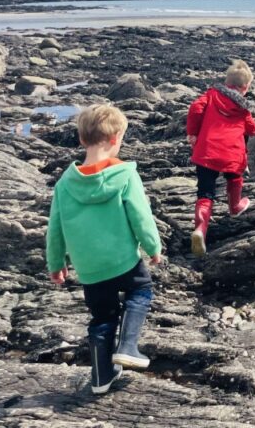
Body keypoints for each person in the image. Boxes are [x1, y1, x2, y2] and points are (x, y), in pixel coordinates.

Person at [45, 104, 162, 395]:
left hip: (89, 268)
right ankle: (128, 346)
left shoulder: (65, 184)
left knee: (102, 317)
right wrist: (153, 247)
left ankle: (100, 377)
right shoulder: (124, 175)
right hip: (123, 260)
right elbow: (140, 216)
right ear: (115, 139)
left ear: (82, 140)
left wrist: (56, 262)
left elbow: (55, 227)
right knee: (141, 291)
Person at [186, 59, 255, 256]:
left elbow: (195, 108)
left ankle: (200, 229)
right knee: (235, 177)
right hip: (231, 153)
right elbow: (252, 129)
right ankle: (235, 206)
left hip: (207, 151)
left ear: (227, 81)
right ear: (246, 87)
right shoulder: (243, 108)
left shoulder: (210, 95)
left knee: (205, 192)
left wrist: (193, 133)